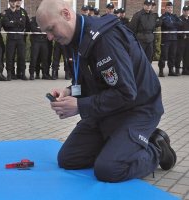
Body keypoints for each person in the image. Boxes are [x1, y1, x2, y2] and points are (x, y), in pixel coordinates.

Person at [37, 0, 176, 183]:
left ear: (66, 14)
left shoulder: (105, 38)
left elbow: (126, 92)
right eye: (45, 32)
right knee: (68, 159)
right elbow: (89, 79)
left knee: (109, 169)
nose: (49, 37)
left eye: (51, 29)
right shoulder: (73, 40)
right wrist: (70, 92)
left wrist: (80, 106)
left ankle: (156, 147)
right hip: (109, 108)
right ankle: (119, 144)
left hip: (138, 109)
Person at [2, 0, 27, 81]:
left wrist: (12, 22)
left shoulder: (21, 12)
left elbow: (23, 23)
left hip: (20, 38)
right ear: (9, 2)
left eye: (14, 2)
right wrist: (16, 22)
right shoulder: (6, 12)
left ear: (16, 3)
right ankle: (10, 73)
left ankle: (22, 73)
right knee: (10, 57)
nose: (13, 3)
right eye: (12, 2)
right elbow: (6, 24)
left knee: (22, 56)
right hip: (11, 38)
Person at [158, 2, 182, 77]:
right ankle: (161, 71)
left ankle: (171, 70)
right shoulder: (163, 16)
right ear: (165, 8)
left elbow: (181, 23)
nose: (170, 9)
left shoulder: (175, 16)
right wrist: (175, 24)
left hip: (174, 39)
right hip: (166, 39)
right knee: (164, 55)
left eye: (171, 7)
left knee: (172, 55)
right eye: (168, 7)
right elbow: (167, 25)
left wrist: (173, 24)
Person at [29, 15, 49, 80]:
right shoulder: (33, 19)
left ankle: (44, 74)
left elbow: (48, 28)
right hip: (36, 41)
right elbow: (33, 28)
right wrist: (42, 29)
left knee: (44, 59)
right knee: (34, 58)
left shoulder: (46, 19)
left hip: (44, 41)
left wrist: (39, 29)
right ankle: (32, 74)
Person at [175, 6, 189, 75]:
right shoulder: (179, 19)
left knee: (187, 55)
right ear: (182, 11)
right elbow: (177, 29)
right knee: (179, 55)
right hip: (181, 40)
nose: (186, 12)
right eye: (185, 10)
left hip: (188, 40)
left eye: (187, 10)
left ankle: (185, 69)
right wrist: (183, 35)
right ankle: (177, 69)